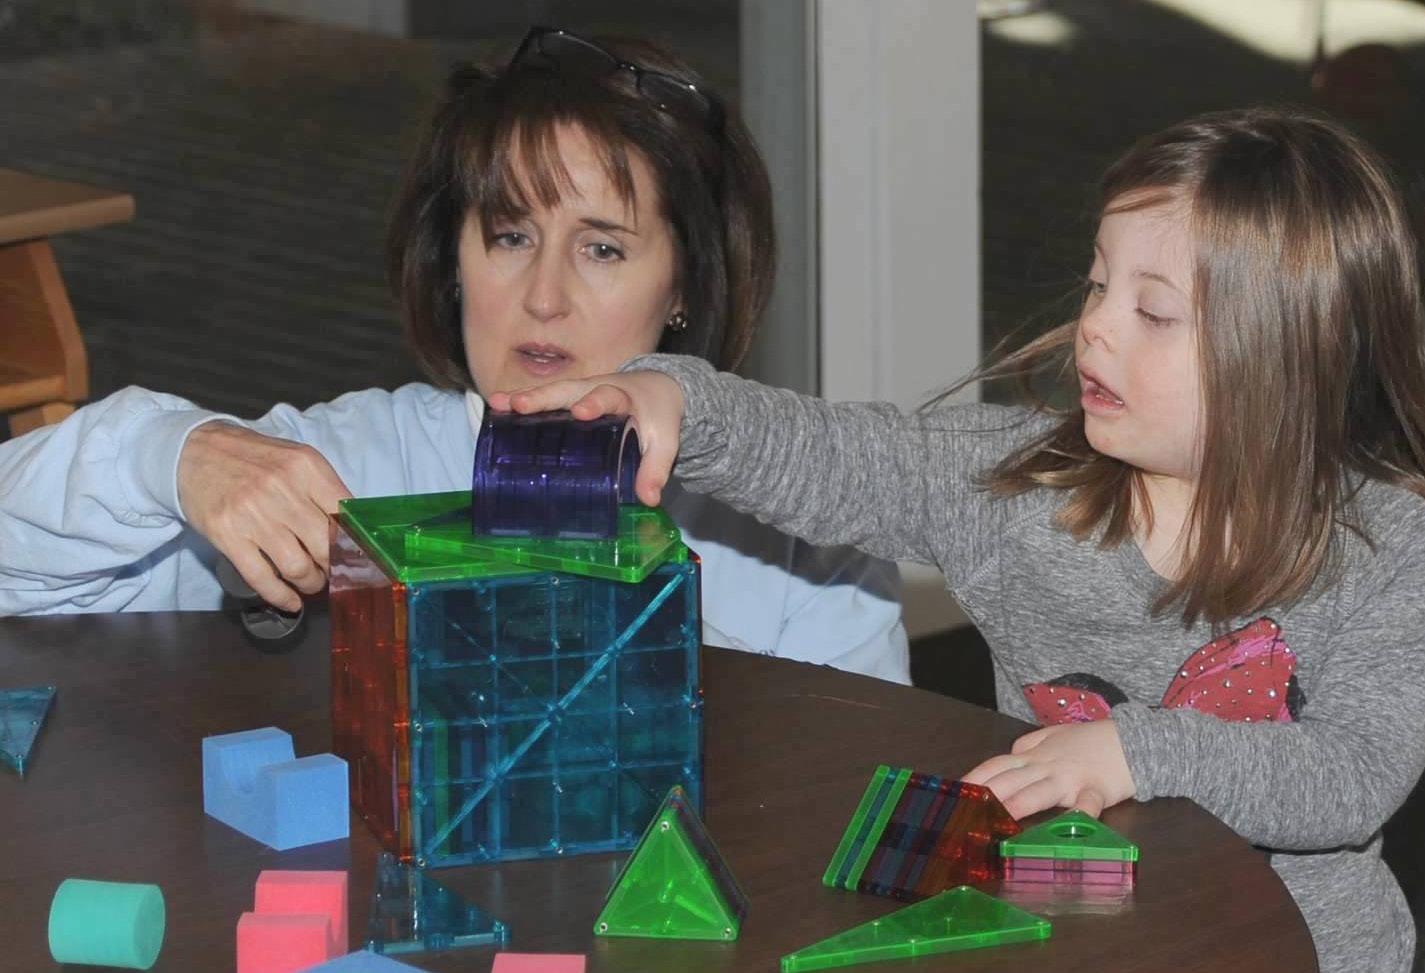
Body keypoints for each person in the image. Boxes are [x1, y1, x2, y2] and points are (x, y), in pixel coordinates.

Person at [492, 106, 1425, 972]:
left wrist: (1135, 751)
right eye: (1097, 285)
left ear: (1288, 354)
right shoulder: (1021, 487)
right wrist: (680, 400)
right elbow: (844, 456)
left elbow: (1350, 772)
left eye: (1151, 312)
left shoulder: (1395, 545)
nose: (1093, 328)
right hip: (1078, 938)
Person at [0, 28, 909, 684]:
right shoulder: (351, 472)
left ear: (684, 288)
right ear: (453, 257)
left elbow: (846, 800)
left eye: (601, 248)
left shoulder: (798, 531)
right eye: (510, 235)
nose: (543, 296)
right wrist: (169, 453)